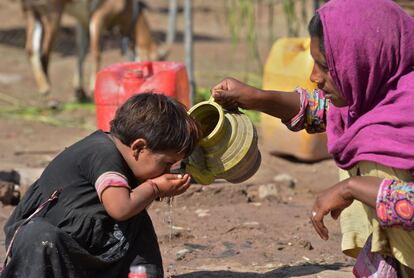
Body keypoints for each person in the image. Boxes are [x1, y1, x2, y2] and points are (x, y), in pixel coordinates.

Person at [211, 0, 414, 276]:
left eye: (326, 66)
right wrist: (254, 97)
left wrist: (352, 188)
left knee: (372, 158)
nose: (313, 77)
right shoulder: (378, 98)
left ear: (364, 60)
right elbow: (321, 110)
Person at [1, 93, 201, 278]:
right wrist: (154, 188)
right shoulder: (103, 154)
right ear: (138, 148)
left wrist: (149, 189)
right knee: (40, 236)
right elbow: (121, 209)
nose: (167, 173)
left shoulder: (127, 161)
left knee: (138, 222)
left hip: (88, 242)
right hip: (51, 245)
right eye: (166, 164)